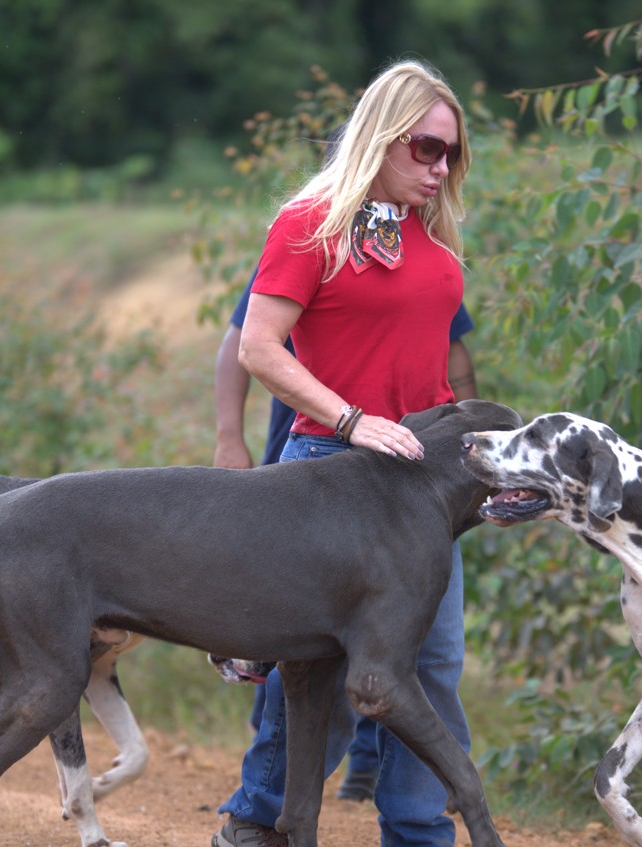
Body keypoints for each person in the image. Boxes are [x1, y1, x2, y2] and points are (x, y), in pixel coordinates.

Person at [211, 58, 476, 847]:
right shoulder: (310, 220)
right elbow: (257, 346)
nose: (439, 167)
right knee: (317, 674)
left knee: (430, 669)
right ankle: (256, 823)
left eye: (451, 155)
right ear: (381, 133)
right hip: (330, 467)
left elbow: (437, 360)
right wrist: (352, 418)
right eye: (425, 148)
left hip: (422, 478)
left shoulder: (428, 229)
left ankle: (419, 834)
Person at [212, 274, 480, 804]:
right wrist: (228, 437)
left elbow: (456, 360)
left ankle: (375, 780)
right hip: (313, 466)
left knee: (413, 653)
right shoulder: (318, 242)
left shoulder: (428, 256)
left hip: (410, 474)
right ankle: (265, 808)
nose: (437, 184)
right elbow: (244, 342)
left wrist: (474, 456)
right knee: (303, 658)